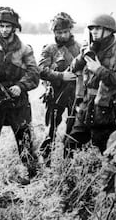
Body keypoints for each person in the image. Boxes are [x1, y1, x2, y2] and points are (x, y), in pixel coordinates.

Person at [0, 7, 39, 183]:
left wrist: (20, 86)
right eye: (1, 26)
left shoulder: (24, 49)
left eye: (7, 26)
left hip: (17, 100)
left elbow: (34, 74)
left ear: (14, 28)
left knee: (23, 135)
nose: (4, 30)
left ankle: (32, 172)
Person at [64, 14, 116, 154]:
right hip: (86, 107)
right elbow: (72, 69)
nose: (93, 31)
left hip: (107, 109)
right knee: (70, 145)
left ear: (108, 30)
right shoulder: (90, 49)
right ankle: (69, 174)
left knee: (107, 151)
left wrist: (99, 70)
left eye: (97, 28)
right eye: (92, 28)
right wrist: (83, 55)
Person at [38, 12, 81, 164]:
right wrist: (61, 76)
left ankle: (68, 161)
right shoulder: (49, 49)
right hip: (55, 94)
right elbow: (41, 70)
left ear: (70, 30)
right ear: (54, 32)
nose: (62, 35)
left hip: (75, 94)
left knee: (73, 129)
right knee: (51, 129)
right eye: (59, 32)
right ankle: (46, 160)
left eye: (65, 31)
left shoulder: (80, 48)